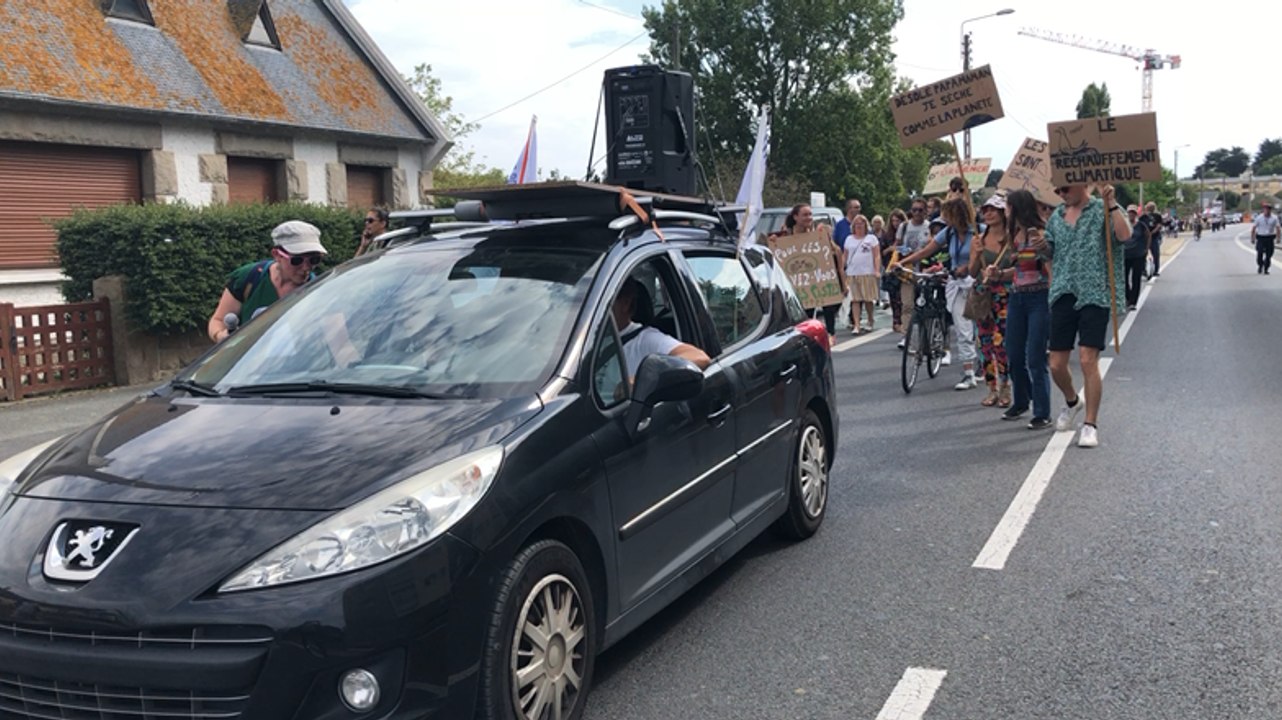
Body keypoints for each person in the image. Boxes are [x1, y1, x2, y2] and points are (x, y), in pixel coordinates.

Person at [1044, 184, 1131, 448]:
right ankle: (1072, 401)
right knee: (1056, 364)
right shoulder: (1056, 216)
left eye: (1065, 188)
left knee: (1087, 359)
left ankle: (1090, 424)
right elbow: (1048, 251)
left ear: (1081, 183)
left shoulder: (1103, 208)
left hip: (1095, 292)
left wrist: (1112, 204)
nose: (1061, 194)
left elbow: (1124, 236)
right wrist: (1039, 245)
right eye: (1057, 190)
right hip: (1063, 292)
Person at [894, 198, 978, 390]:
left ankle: (985, 365)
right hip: (955, 283)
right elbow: (926, 251)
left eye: (947, 215)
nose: (944, 219)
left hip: (975, 283)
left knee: (975, 329)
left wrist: (968, 268)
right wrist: (903, 263)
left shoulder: (977, 231)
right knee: (962, 327)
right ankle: (969, 373)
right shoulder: (948, 233)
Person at [207, 221, 328, 343]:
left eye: (314, 260)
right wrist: (220, 335)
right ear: (276, 255)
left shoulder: (318, 291)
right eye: (297, 260)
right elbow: (218, 320)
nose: (306, 267)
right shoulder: (249, 278)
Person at [994, 189, 1053, 429]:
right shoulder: (1014, 236)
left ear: (1017, 208)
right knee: (1014, 353)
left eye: (1008, 206)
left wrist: (1043, 248)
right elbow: (1018, 270)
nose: (1005, 211)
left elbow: (1050, 263)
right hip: (1017, 297)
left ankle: (1042, 411)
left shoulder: (1040, 232)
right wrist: (999, 274)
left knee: (1035, 357)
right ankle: (1021, 401)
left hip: (1039, 297)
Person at [770, 204, 846, 338]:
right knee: (805, 315)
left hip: (821, 282)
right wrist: (774, 242)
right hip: (799, 287)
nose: (809, 217)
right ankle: (807, 338)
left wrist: (828, 240)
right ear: (795, 217)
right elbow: (774, 255)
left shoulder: (818, 234)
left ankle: (830, 335)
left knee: (829, 309)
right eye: (805, 215)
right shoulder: (785, 236)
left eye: (810, 214)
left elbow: (836, 253)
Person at [612, 278, 710, 380]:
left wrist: (643, 379)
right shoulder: (600, 338)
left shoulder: (645, 340)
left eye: (607, 304)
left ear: (625, 303)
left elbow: (699, 357)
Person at [970, 194, 1013, 408]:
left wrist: (1001, 274)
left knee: (1001, 343)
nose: (988, 213)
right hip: (983, 295)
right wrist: (977, 255)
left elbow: (1019, 269)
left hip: (1005, 295)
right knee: (984, 343)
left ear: (1003, 212)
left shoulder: (1013, 238)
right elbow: (971, 272)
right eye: (985, 210)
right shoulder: (978, 240)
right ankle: (991, 388)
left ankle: (1005, 386)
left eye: (993, 210)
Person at [894, 199, 933, 346]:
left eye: (920, 210)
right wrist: (906, 252)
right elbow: (897, 246)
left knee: (925, 304)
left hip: (924, 269)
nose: (917, 213)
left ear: (925, 211)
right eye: (914, 210)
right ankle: (906, 335)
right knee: (907, 304)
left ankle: (926, 334)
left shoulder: (929, 227)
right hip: (908, 269)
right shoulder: (904, 226)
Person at [842, 215, 882, 334]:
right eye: (857, 224)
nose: (859, 226)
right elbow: (845, 255)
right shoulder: (849, 239)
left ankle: (870, 320)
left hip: (867, 272)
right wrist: (842, 268)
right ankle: (857, 325)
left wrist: (876, 270)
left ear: (866, 225)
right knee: (855, 299)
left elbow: (876, 255)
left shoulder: (871, 239)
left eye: (861, 223)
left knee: (868, 299)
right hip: (852, 272)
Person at [1122, 205, 1150, 310]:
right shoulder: (1124, 224)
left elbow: (1148, 235)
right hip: (1125, 254)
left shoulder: (1141, 225)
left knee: (1136, 278)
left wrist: (1146, 249)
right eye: (1129, 212)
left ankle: (1133, 302)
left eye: (1133, 213)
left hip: (1138, 255)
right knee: (1123, 278)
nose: (1131, 215)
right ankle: (1128, 296)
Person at [1252, 201, 1279, 274]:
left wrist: (1278, 238)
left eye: (1269, 209)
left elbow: (1278, 228)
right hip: (1261, 237)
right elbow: (1254, 228)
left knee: (1269, 254)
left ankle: (1266, 268)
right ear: (1263, 210)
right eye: (1266, 209)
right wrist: (1253, 238)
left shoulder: (1274, 218)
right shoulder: (1259, 218)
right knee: (1260, 252)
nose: (1267, 211)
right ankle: (1260, 265)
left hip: (1270, 237)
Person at [1140, 201, 1163, 278]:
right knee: (1143, 254)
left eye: (1152, 207)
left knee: (1156, 254)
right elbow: (1140, 224)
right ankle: (1143, 269)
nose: (1150, 208)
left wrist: (1152, 232)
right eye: (1149, 207)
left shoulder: (1157, 216)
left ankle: (1156, 270)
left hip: (1154, 237)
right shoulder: (1143, 216)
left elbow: (1159, 225)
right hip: (1144, 238)